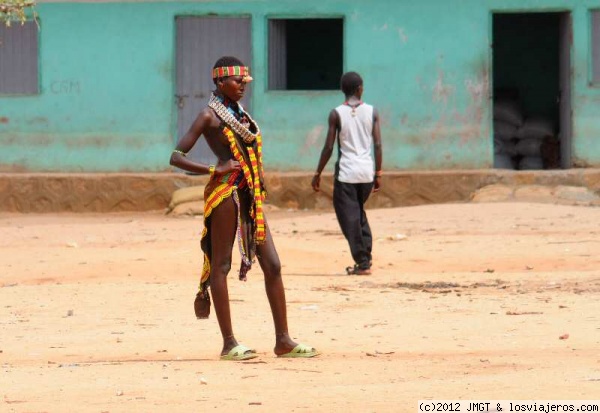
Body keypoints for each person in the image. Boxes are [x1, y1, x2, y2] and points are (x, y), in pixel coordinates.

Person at [170, 56, 318, 360]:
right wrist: (214, 170)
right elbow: (176, 156)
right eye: (237, 82)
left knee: (273, 264)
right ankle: (229, 343)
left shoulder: (240, 114)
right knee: (222, 265)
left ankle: (283, 341)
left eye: (244, 83)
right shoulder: (208, 116)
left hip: (249, 195)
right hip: (226, 194)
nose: (242, 87)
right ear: (220, 82)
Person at [311, 71, 383, 276]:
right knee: (358, 213)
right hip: (366, 173)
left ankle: (362, 261)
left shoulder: (336, 113)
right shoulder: (372, 111)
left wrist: (317, 173)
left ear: (343, 90)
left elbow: (328, 147)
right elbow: (377, 144)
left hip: (346, 174)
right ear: (360, 89)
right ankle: (365, 258)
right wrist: (378, 173)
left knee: (349, 217)